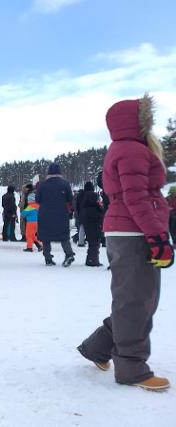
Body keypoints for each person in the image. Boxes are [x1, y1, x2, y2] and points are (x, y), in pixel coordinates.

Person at [78, 94, 172, 391]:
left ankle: (98, 347)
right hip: (133, 231)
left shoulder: (127, 148)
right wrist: (156, 236)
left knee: (137, 299)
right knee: (136, 301)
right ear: (137, 121)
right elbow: (137, 197)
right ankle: (131, 367)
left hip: (129, 230)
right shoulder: (131, 150)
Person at [36, 164, 74, 267]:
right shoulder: (65, 184)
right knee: (63, 236)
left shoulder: (42, 185)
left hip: (45, 214)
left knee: (45, 236)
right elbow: (70, 199)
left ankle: (48, 258)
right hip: (61, 214)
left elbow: (37, 200)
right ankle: (69, 254)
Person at [79, 181, 104, 266]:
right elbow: (99, 207)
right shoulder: (95, 197)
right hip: (95, 220)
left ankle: (90, 259)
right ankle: (93, 260)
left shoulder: (82, 196)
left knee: (91, 240)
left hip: (85, 219)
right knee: (95, 241)